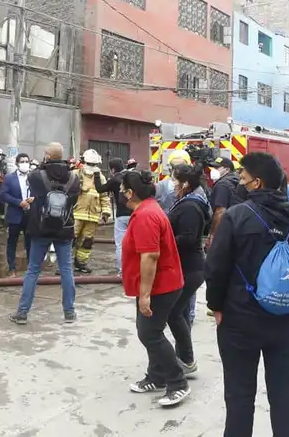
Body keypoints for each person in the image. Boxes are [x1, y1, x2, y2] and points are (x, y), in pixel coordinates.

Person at [205, 152, 289, 437]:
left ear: (257, 183)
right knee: (283, 396)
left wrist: (216, 306)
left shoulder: (237, 217)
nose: (239, 183)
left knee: (240, 396)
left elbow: (216, 268)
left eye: (242, 178)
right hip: (285, 325)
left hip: (239, 321)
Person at [119, 170, 191, 407]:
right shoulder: (147, 209)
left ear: (131, 193)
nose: (120, 194)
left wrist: (145, 295)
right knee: (150, 332)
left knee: (150, 333)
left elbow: (150, 256)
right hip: (161, 283)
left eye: (122, 190)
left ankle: (177, 382)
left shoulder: (146, 216)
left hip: (161, 286)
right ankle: (157, 377)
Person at [10, 142, 80, 324]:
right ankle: (69, 312)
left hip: (40, 228)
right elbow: (73, 202)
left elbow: (34, 182)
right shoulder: (74, 178)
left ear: (47, 156)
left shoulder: (37, 176)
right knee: (66, 270)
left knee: (33, 270)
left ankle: (22, 312)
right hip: (64, 228)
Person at [166, 164, 211, 377]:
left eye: (175, 180)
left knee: (173, 313)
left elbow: (188, 237)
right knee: (181, 312)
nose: (172, 184)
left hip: (190, 268)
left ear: (185, 183)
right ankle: (182, 355)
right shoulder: (188, 202)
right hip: (186, 267)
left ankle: (188, 359)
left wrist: (161, 241)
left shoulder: (191, 206)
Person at [72, 149, 111, 273]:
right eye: (90, 164)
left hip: (93, 215)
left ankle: (81, 263)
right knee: (71, 239)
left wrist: (105, 212)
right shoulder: (75, 174)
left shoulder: (101, 177)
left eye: (94, 164)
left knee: (87, 241)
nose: (92, 167)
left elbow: (104, 196)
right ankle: (65, 264)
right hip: (76, 214)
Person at [95, 157, 132, 277]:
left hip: (121, 216)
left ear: (112, 169)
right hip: (135, 214)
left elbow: (100, 189)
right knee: (135, 244)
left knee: (121, 245)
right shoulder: (131, 176)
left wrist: (96, 174)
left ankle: (122, 272)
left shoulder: (115, 180)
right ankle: (135, 270)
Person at [0, 153, 33, 276]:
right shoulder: (10, 178)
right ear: (17, 163)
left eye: (26, 161)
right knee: (12, 241)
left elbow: (40, 192)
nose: (25, 163)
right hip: (15, 214)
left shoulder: (33, 177)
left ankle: (31, 268)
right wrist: (18, 202)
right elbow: (4, 195)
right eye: (22, 161)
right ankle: (12, 268)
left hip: (30, 215)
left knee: (30, 242)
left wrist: (34, 198)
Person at [206, 156, 242, 247]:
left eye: (217, 168)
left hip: (226, 229)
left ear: (227, 169)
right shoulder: (236, 181)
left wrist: (213, 235)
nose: (213, 170)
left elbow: (220, 211)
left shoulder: (222, 185)